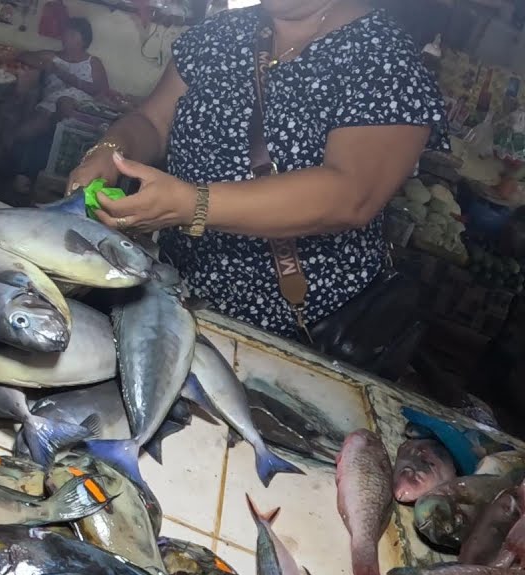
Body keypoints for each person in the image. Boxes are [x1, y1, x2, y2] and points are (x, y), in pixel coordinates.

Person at [68, 0, 447, 339]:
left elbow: (352, 194)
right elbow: (153, 120)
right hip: (173, 290)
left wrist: (194, 204)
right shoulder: (219, 34)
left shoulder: (384, 57)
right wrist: (110, 150)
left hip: (290, 322)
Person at [9, 17, 110, 193]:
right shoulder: (52, 57)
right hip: (49, 106)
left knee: (62, 112)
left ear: (84, 39)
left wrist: (65, 76)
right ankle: (21, 176)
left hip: (78, 109)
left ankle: (25, 175)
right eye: (65, 33)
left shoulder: (93, 62)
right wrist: (43, 64)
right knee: (25, 132)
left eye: (72, 34)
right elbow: (23, 56)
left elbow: (100, 90)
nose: (66, 37)